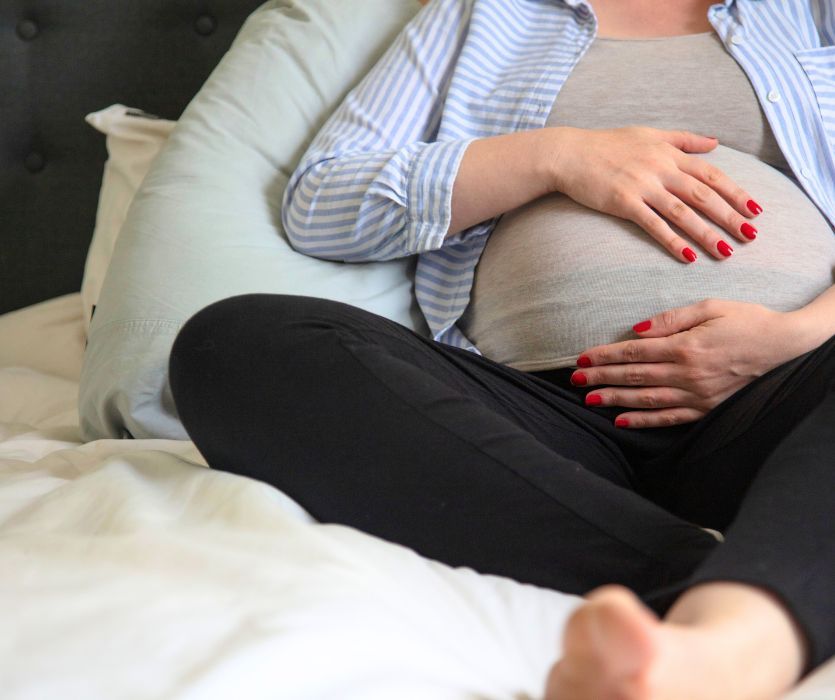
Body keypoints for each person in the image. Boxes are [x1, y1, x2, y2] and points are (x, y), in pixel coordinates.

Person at [167, 0, 835, 697]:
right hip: (541, 420)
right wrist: (556, 155)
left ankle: (732, 647)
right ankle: (691, 590)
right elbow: (326, 201)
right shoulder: (482, 13)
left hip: (786, 389)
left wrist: (791, 336)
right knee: (232, 344)